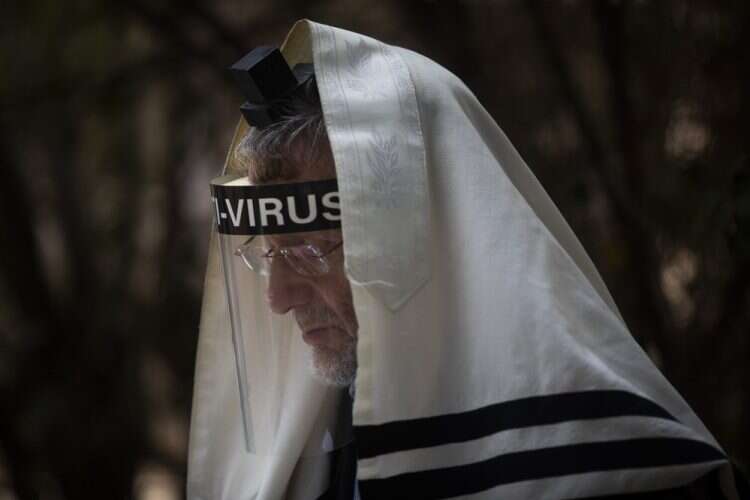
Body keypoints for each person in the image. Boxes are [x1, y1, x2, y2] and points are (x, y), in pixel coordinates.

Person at [188, 20, 748, 500]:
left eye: (308, 252)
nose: (277, 298)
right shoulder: (319, 445)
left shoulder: (613, 459)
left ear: (430, 239)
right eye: (268, 255)